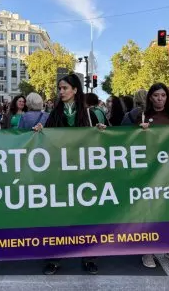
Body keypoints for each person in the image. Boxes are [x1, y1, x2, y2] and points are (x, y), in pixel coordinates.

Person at [34, 74, 106, 275]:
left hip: (84, 174)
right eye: (59, 88)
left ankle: (89, 256)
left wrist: (101, 131)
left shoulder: (92, 114)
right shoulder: (54, 113)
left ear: (75, 90)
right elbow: (46, 139)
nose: (61, 91)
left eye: (65, 88)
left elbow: (105, 141)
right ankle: (55, 257)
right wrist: (40, 130)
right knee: (59, 216)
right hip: (60, 174)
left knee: (86, 216)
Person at [135, 83, 169, 268]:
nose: (160, 99)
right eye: (156, 95)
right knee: (150, 211)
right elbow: (123, 139)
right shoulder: (141, 116)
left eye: (163, 95)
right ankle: (147, 251)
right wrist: (138, 132)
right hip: (148, 172)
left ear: (167, 98)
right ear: (150, 97)